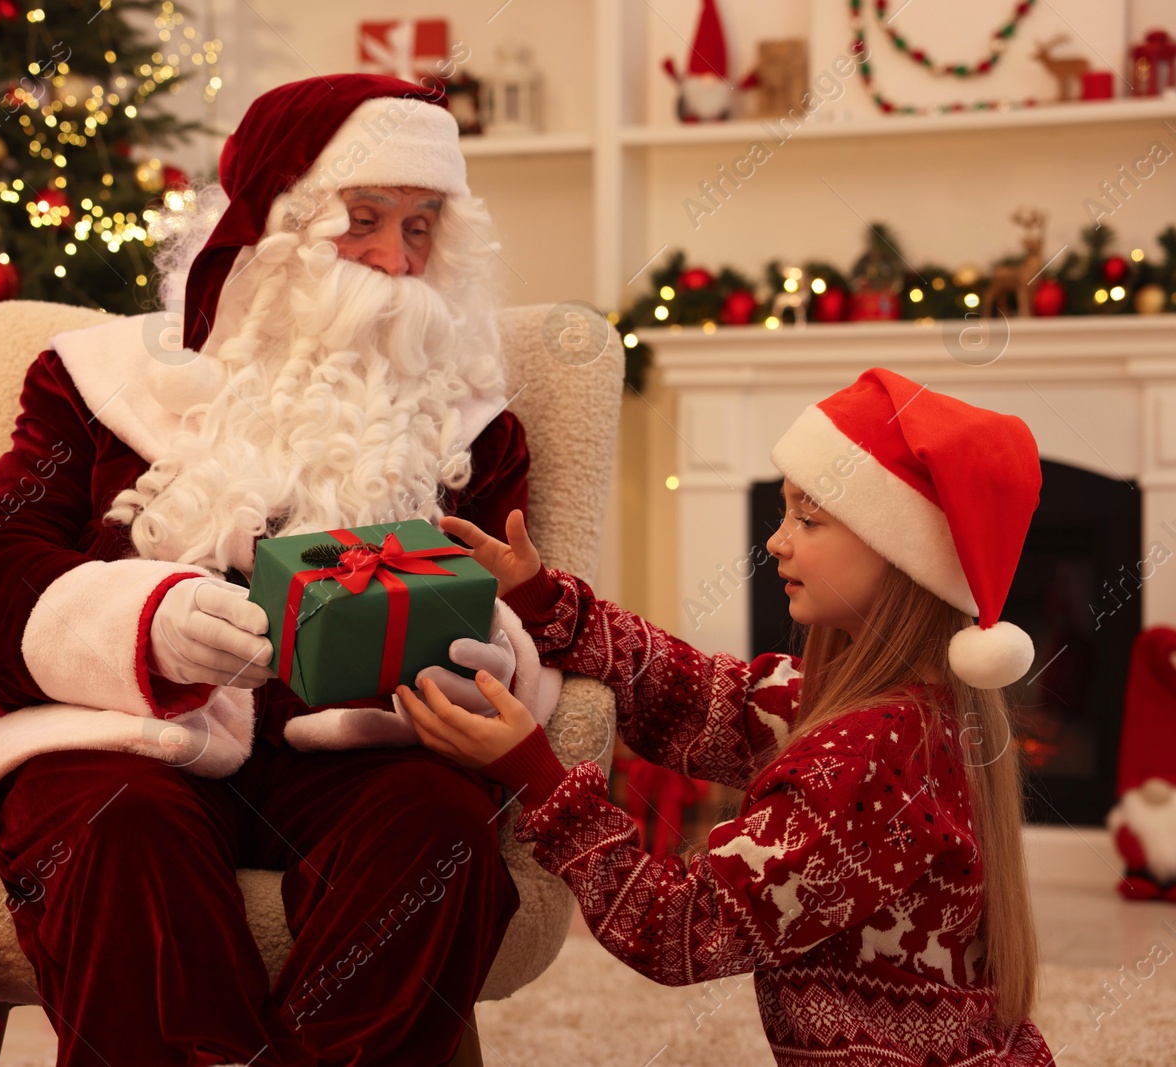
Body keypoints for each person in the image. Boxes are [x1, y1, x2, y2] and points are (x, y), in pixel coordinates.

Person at [0, 73, 563, 1066]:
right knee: (112, 830)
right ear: (278, 221)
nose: (397, 261)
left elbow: (517, 608)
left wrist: (475, 649)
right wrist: (145, 624)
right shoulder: (95, 380)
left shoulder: (475, 427)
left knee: (439, 835)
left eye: (422, 227)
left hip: (360, 749)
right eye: (364, 221)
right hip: (132, 735)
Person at [398, 368, 1058, 1065]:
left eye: (810, 518)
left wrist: (539, 776)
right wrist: (542, 598)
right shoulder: (882, 705)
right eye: (783, 513)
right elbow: (704, 695)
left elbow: (682, 924)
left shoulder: (873, 758)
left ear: (899, 556)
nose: (778, 541)